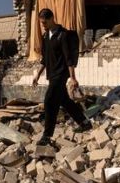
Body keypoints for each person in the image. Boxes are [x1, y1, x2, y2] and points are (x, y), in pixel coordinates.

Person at [32, 8, 92, 145]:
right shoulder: (46, 36)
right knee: (64, 100)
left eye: (44, 22)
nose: (43, 25)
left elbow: (68, 58)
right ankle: (84, 123)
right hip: (52, 74)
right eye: (41, 23)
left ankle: (47, 136)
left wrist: (72, 77)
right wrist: (38, 75)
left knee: (49, 101)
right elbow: (45, 60)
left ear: (51, 19)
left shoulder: (62, 35)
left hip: (61, 74)